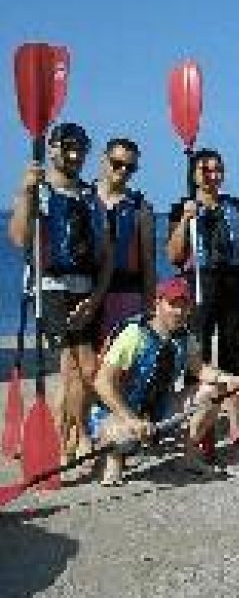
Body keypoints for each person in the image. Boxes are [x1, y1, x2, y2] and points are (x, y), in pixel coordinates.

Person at [8, 122, 113, 462]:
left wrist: (96, 297)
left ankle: (68, 434)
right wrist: (26, 192)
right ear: (51, 149)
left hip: (84, 288)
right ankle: (73, 437)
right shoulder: (37, 190)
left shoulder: (88, 195)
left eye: (80, 149)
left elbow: (104, 253)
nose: (73, 155)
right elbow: (20, 239)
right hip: (51, 288)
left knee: (78, 369)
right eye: (66, 147)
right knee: (80, 364)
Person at [167, 148, 239, 447]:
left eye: (218, 169)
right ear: (194, 175)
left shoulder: (236, 206)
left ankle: (235, 425)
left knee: (231, 356)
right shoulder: (183, 207)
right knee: (199, 358)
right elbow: (173, 256)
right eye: (206, 170)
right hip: (201, 287)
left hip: (235, 286)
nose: (213, 175)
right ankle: (199, 427)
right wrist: (184, 221)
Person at [88, 277, 224, 486]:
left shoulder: (185, 337)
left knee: (212, 393)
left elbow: (199, 369)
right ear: (157, 304)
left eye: (184, 306)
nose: (179, 312)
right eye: (173, 305)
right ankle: (114, 461)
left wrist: (226, 379)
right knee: (122, 435)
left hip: (157, 414)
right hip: (117, 415)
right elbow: (102, 382)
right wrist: (130, 419)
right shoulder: (134, 334)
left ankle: (188, 455)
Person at [94, 137, 156, 337]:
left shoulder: (140, 207)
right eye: (117, 164)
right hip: (86, 290)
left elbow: (148, 262)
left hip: (126, 292)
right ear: (104, 160)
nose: (123, 171)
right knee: (83, 364)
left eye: (130, 167)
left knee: (122, 360)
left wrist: (150, 306)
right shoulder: (83, 198)